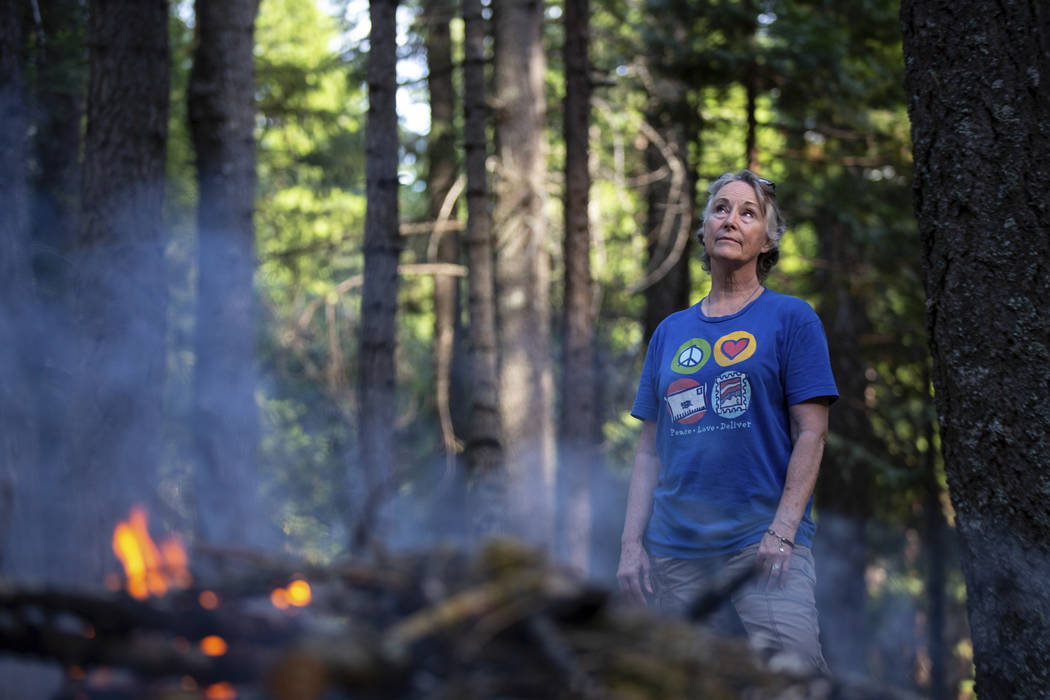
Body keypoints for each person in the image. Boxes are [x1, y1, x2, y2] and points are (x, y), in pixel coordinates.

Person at [617, 169, 837, 673]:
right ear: (703, 229)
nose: (731, 220)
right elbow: (649, 450)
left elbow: (812, 432)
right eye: (721, 208)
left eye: (748, 212)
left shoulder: (792, 319)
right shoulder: (670, 333)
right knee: (690, 685)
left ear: (767, 239)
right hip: (676, 554)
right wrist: (631, 546)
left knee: (793, 679)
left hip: (762, 545)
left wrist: (782, 532)